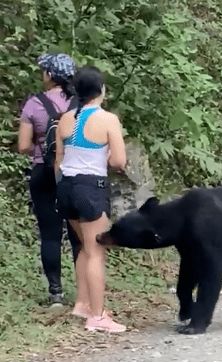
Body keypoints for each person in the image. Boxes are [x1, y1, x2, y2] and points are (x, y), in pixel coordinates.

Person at [55, 66, 127, 333]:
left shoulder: (64, 119)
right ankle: (97, 316)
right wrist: (107, 157)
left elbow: (58, 160)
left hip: (65, 188)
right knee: (96, 251)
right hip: (90, 188)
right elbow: (119, 161)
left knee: (85, 247)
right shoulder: (108, 119)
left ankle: (83, 303)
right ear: (101, 91)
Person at [18, 53, 81, 307]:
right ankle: (85, 293)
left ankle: (56, 293)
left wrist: (41, 144)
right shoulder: (80, 102)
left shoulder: (34, 104)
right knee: (79, 234)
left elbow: (23, 146)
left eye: (44, 70)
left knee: (50, 234)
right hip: (75, 171)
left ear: (50, 75)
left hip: (43, 171)